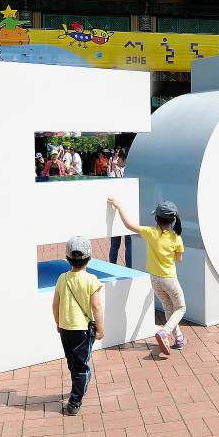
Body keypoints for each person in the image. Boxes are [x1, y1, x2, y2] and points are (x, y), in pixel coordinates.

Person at [108, 197, 187, 356]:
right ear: (173, 219)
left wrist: (119, 205)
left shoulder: (150, 232)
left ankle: (178, 339)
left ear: (156, 218)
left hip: (154, 279)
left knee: (167, 307)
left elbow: (128, 225)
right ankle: (165, 332)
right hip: (169, 278)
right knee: (180, 308)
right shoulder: (176, 238)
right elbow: (179, 259)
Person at [52, 235, 105, 415]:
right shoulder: (91, 279)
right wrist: (100, 328)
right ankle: (75, 401)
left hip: (65, 328)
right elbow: (96, 306)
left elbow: (55, 304)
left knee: (72, 362)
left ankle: (76, 391)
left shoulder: (62, 278)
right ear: (89, 258)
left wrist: (58, 322)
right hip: (82, 330)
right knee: (81, 365)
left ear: (67, 258)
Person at [107, 148, 131, 266]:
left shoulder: (114, 174)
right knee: (129, 245)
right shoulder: (132, 172)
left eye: (118, 158)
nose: (116, 160)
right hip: (129, 213)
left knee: (115, 244)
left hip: (116, 212)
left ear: (123, 159)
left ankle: (112, 266)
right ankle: (130, 269)